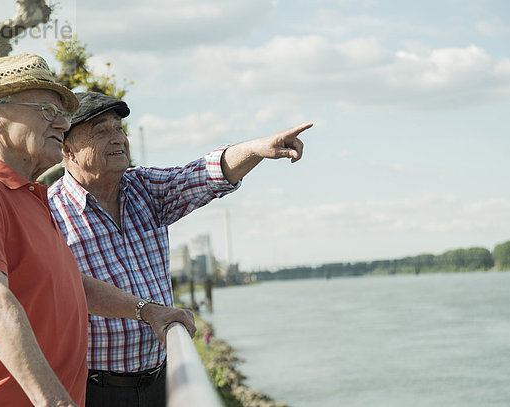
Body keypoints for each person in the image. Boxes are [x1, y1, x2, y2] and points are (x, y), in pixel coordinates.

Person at [0, 55, 195, 407]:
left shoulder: (29, 195)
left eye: (62, 114)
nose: (62, 124)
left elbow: (69, 281)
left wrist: (149, 311)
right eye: (46, 110)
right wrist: (54, 400)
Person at [48, 91, 312, 407]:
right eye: (101, 131)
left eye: (119, 129)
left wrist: (257, 149)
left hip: (163, 380)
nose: (118, 138)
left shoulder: (144, 188)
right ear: (68, 150)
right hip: (94, 390)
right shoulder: (49, 214)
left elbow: (203, 175)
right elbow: (65, 292)